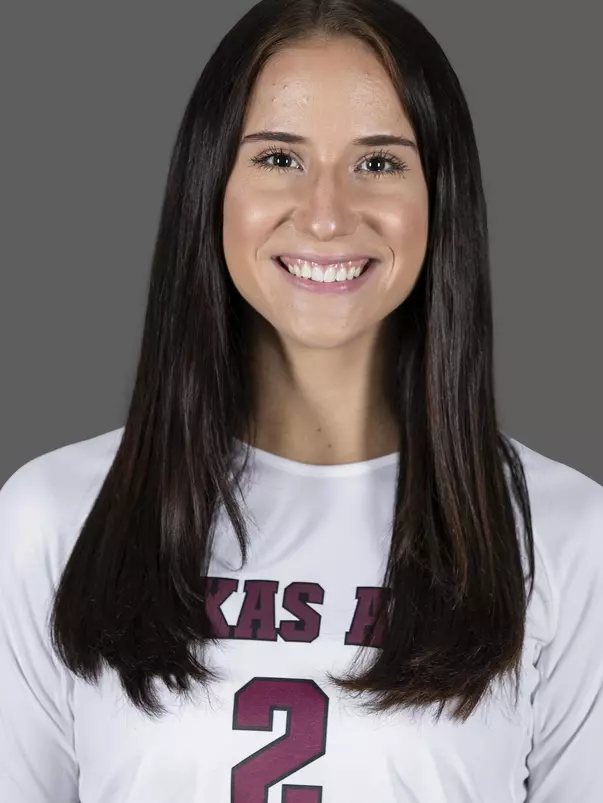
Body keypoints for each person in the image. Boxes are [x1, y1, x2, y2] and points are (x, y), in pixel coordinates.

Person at [1, 0, 602, 800]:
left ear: (440, 196)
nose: (325, 215)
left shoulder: (563, 537)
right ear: (211, 184)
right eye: (279, 157)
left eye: (378, 162)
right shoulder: (54, 518)